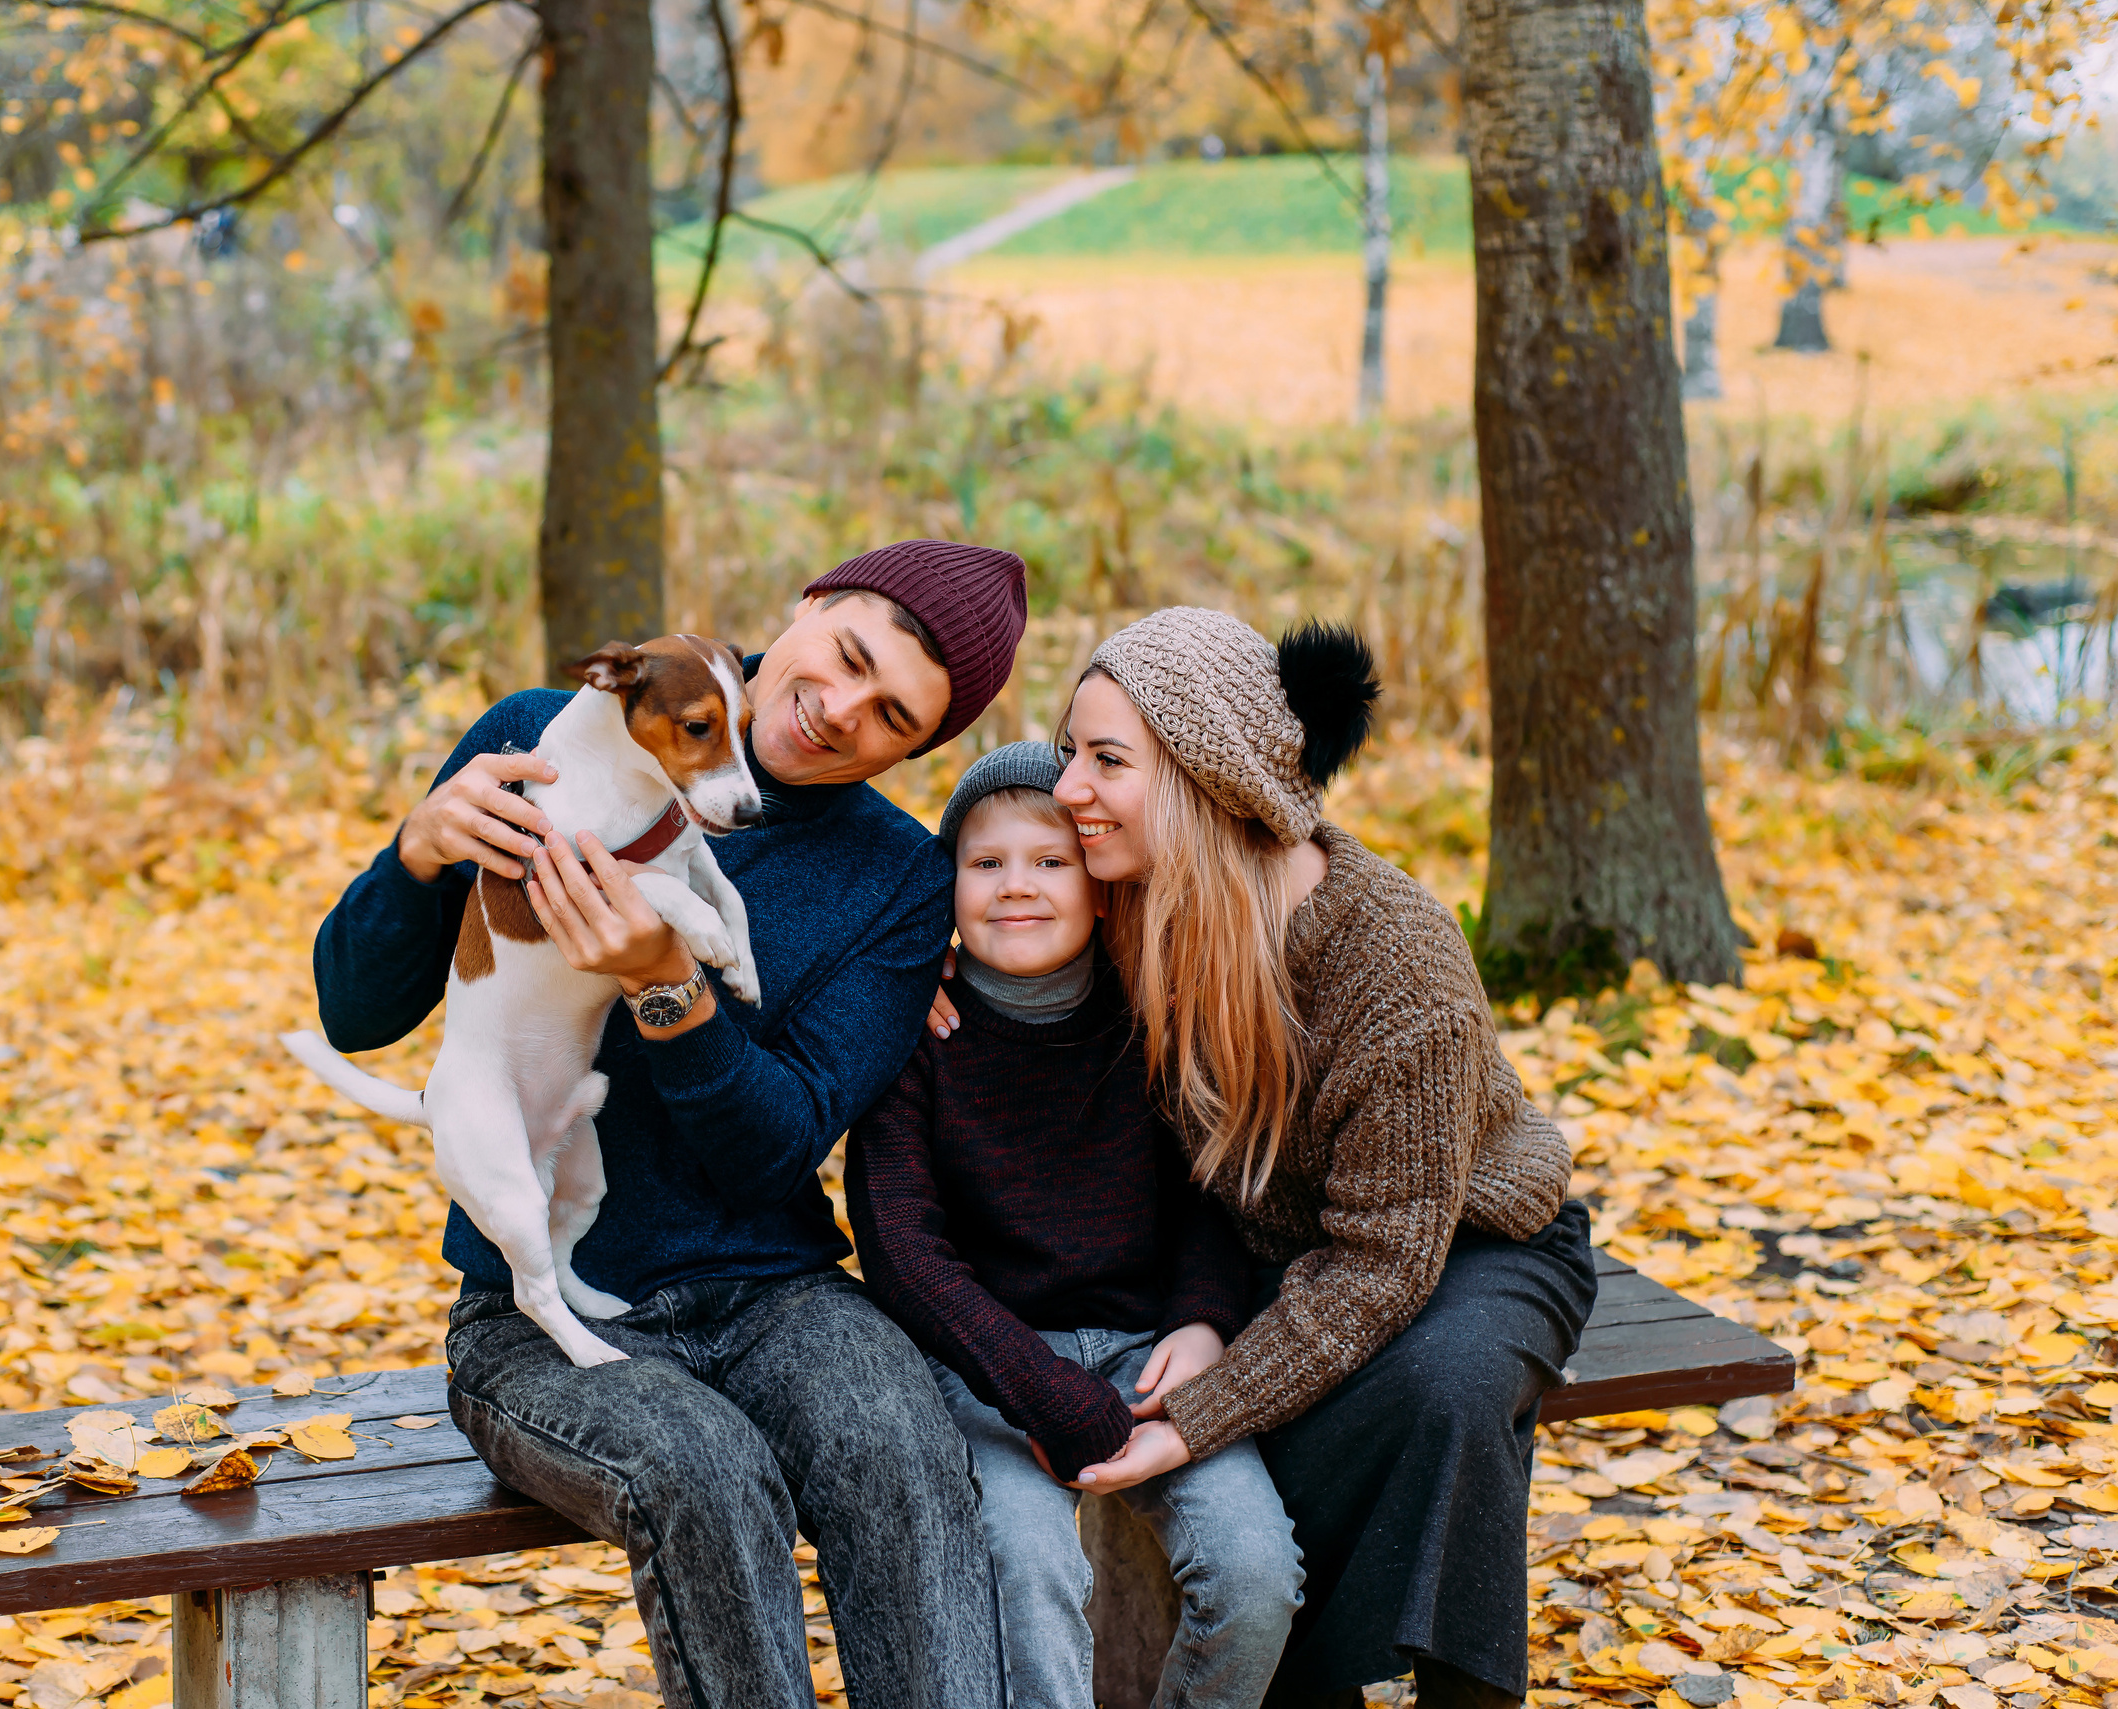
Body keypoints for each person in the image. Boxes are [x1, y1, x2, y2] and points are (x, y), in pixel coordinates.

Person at [311, 540, 1028, 1709]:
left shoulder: (897, 878)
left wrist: (667, 990)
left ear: (916, 749)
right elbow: (352, 1009)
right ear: (803, 607)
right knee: (704, 1472)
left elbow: (774, 1145)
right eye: (845, 655)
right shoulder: (541, 741)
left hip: (776, 1292)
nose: (840, 707)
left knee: (898, 1447)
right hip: (539, 1315)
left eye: (892, 712)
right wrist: (419, 846)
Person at [1008, 606, 1596, 1709]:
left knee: (1439, 1387)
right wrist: (960, 996)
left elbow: (1381, 1262)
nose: (1068, 788)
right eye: (1070, 751)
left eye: (1106, 759)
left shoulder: (1392, 961)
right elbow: (992, 891)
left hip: (1468, 1236)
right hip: (1273, 1253)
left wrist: (1192, 1418)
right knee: (1306, 1394)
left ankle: (1456, 1689)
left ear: (1207, 778)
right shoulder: (1130, 903)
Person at [848, 741, 1303, 1709]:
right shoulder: (912, 1038)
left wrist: (1202, 1319)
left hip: (1149, 1353)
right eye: (986, 863)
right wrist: (1038, 1387)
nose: (1017, 886)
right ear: (948, 887)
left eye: (1050, 861)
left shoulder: (1150, 1017)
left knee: (1255, 1574)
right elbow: (900, 1248)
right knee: (1028, 1568)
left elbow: (1205, 1192)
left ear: (1098, 888)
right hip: (987, 1369)